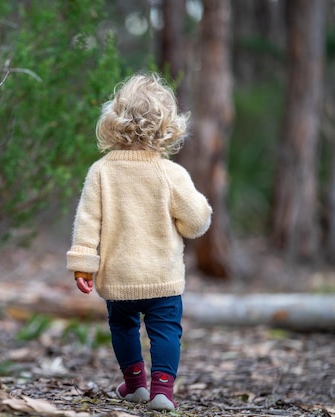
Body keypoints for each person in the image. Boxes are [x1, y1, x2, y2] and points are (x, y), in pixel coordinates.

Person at [66, 73, 212, 411]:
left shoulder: (101, 171)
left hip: (119, 276)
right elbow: (194, 223)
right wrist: (201, 209)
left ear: (113, 120)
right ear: (168, 127)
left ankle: (135, 385)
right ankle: (162, 390)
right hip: (162, 276)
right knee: (165, 331)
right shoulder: (170, 173)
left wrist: (83, 266)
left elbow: (87, 223)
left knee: (123, 327)